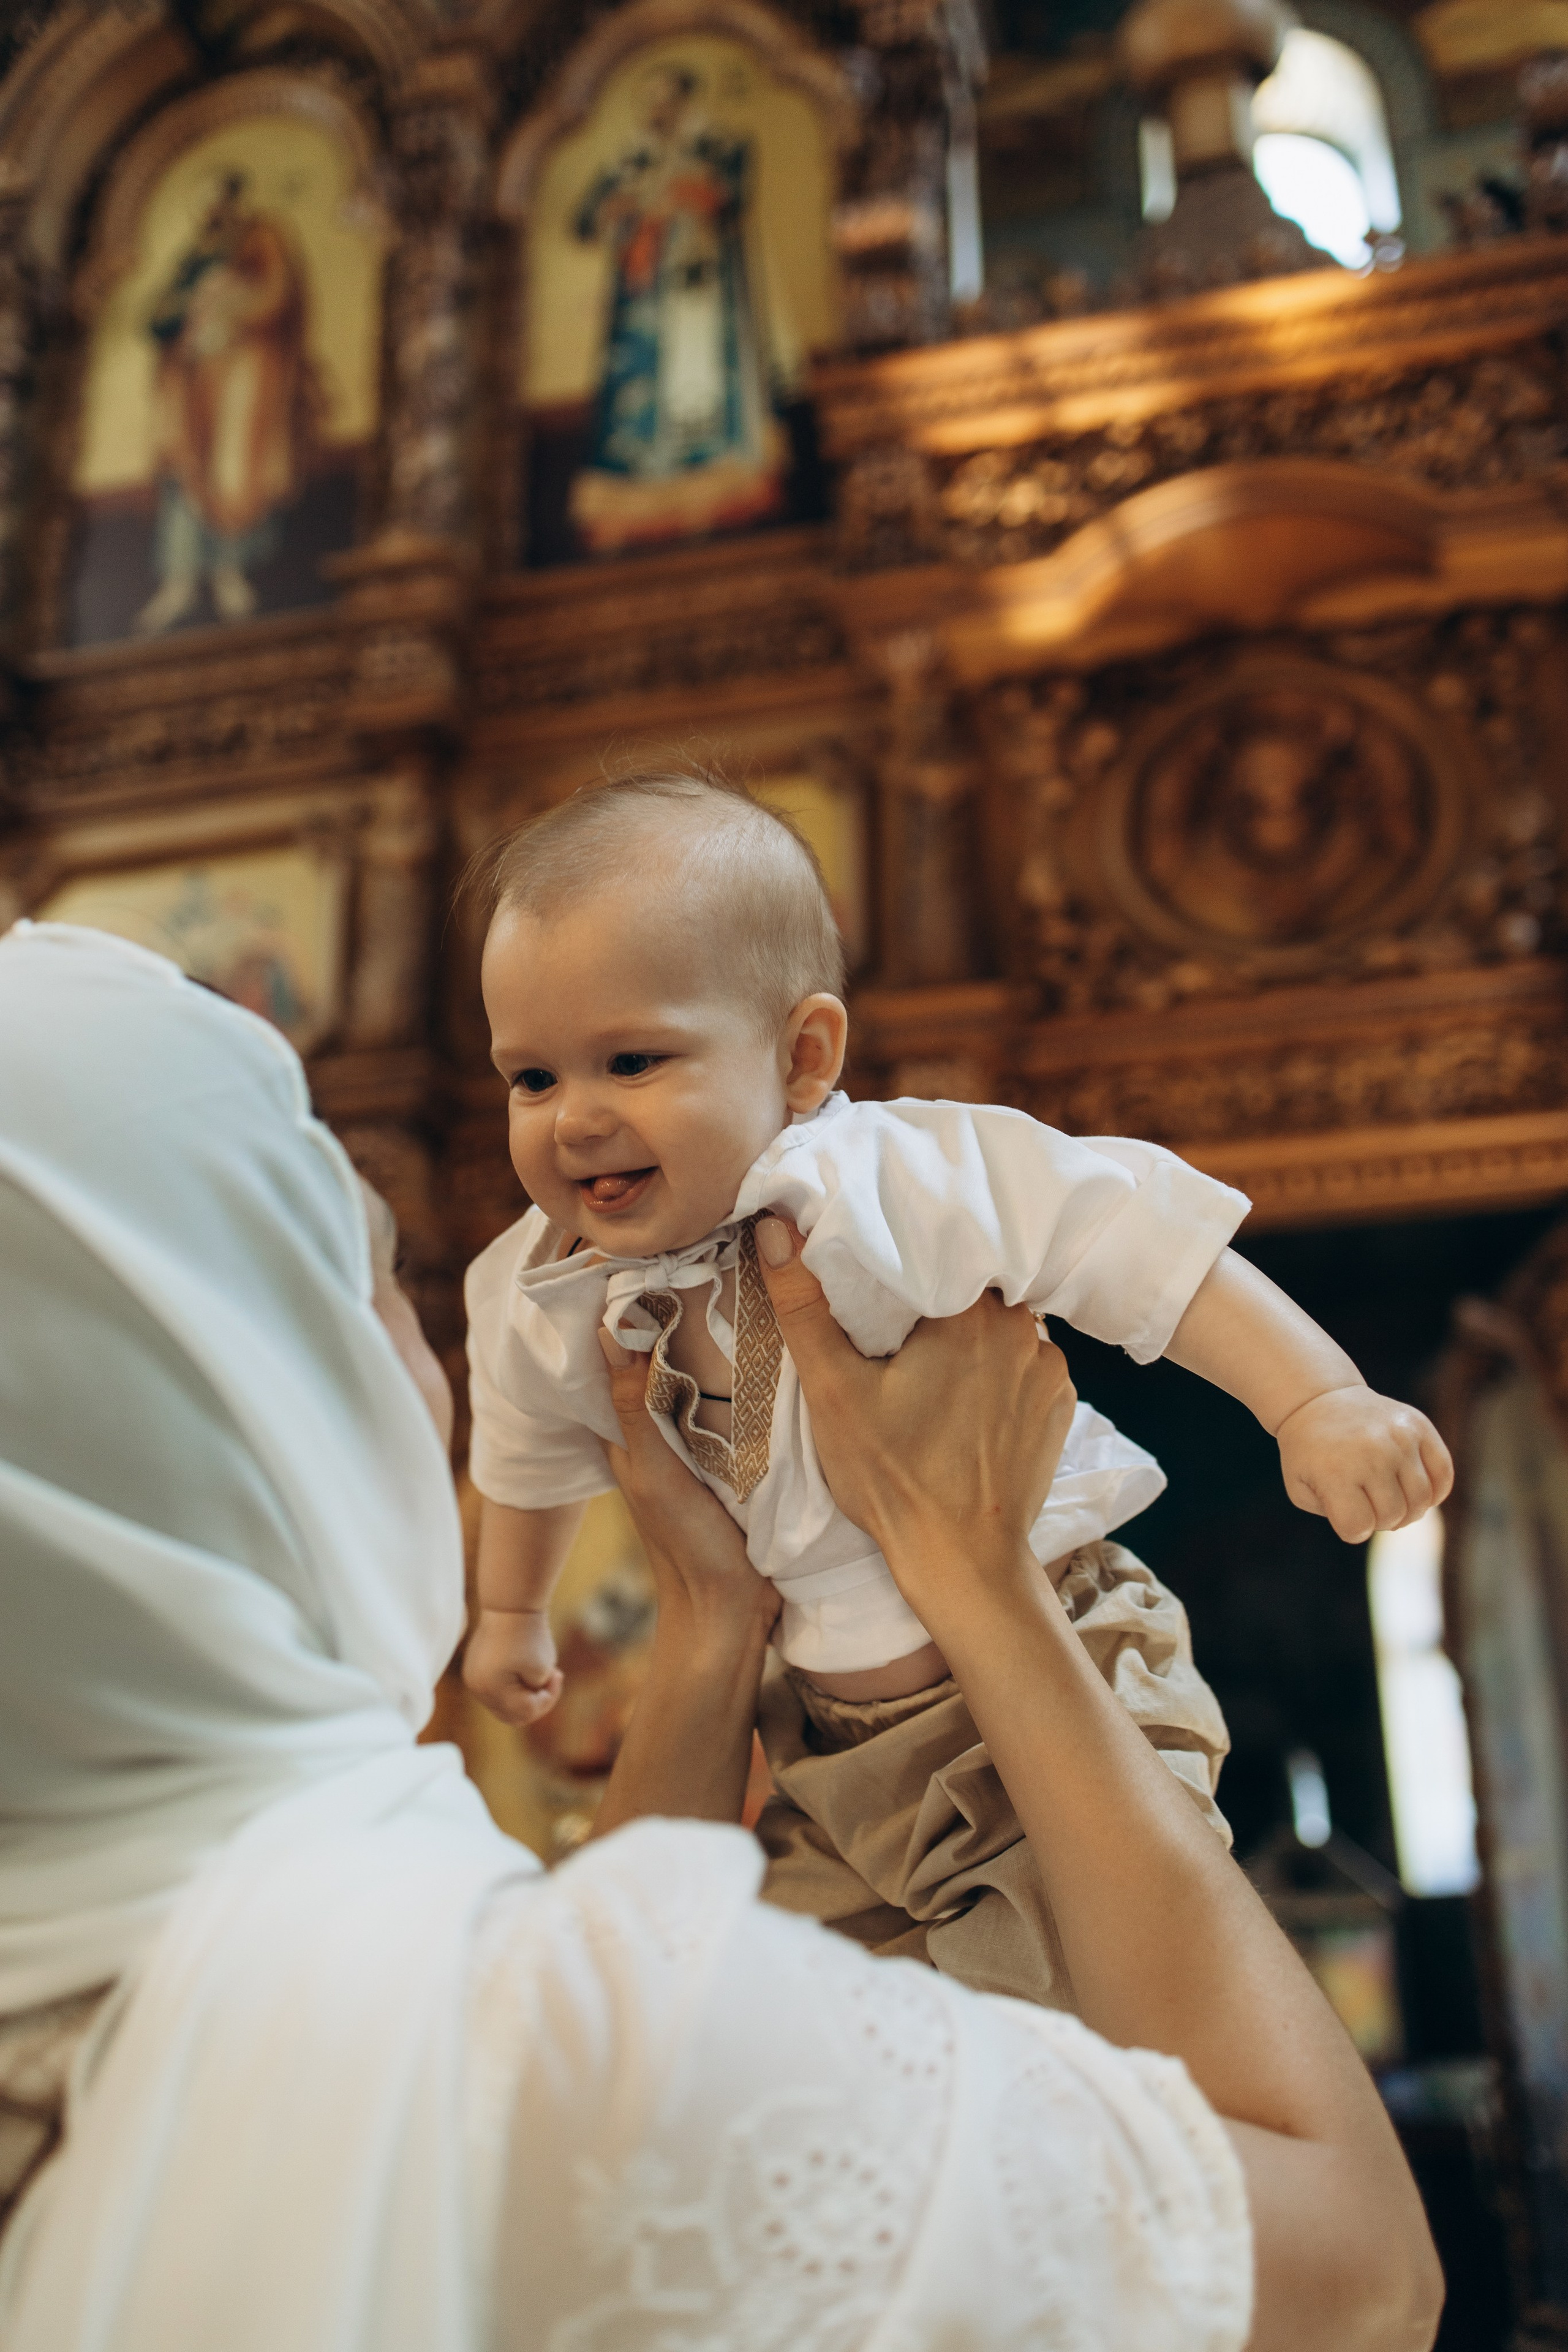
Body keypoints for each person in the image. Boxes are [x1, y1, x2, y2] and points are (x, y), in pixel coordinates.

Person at [0, 918, 1440, 2352]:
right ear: (241, 1384)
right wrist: (969, 1566)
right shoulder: (526, 2055)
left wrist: (710, 1619)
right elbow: (1354, 2283)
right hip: (872, 1730)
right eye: (353, 1270)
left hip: (844, 1709)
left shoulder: (88, 2000)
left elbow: (1116, 1227)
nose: (431, 1359)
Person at [461, 767, 1453, 1999]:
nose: (572, 1120)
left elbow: (1117, 1232)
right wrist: (510, 1614)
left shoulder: (880, 1178)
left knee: (1080, 2007)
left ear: (803, 1056)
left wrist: (1314, 1400)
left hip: (1054, 1660)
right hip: (826, 1741)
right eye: (531, 1078)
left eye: (630, 1059)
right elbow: (520, 1452)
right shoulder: (535, 1288)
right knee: (814, 2014)